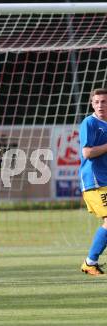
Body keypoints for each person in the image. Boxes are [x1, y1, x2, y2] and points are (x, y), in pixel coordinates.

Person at [79, 88, 107, 276]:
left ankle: (91, 262)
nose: (100, 105)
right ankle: (90, 262)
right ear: (91, 104)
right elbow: (87, 153)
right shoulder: (89, 123)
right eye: (96, 102)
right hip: (94, 181)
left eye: (103, 102)